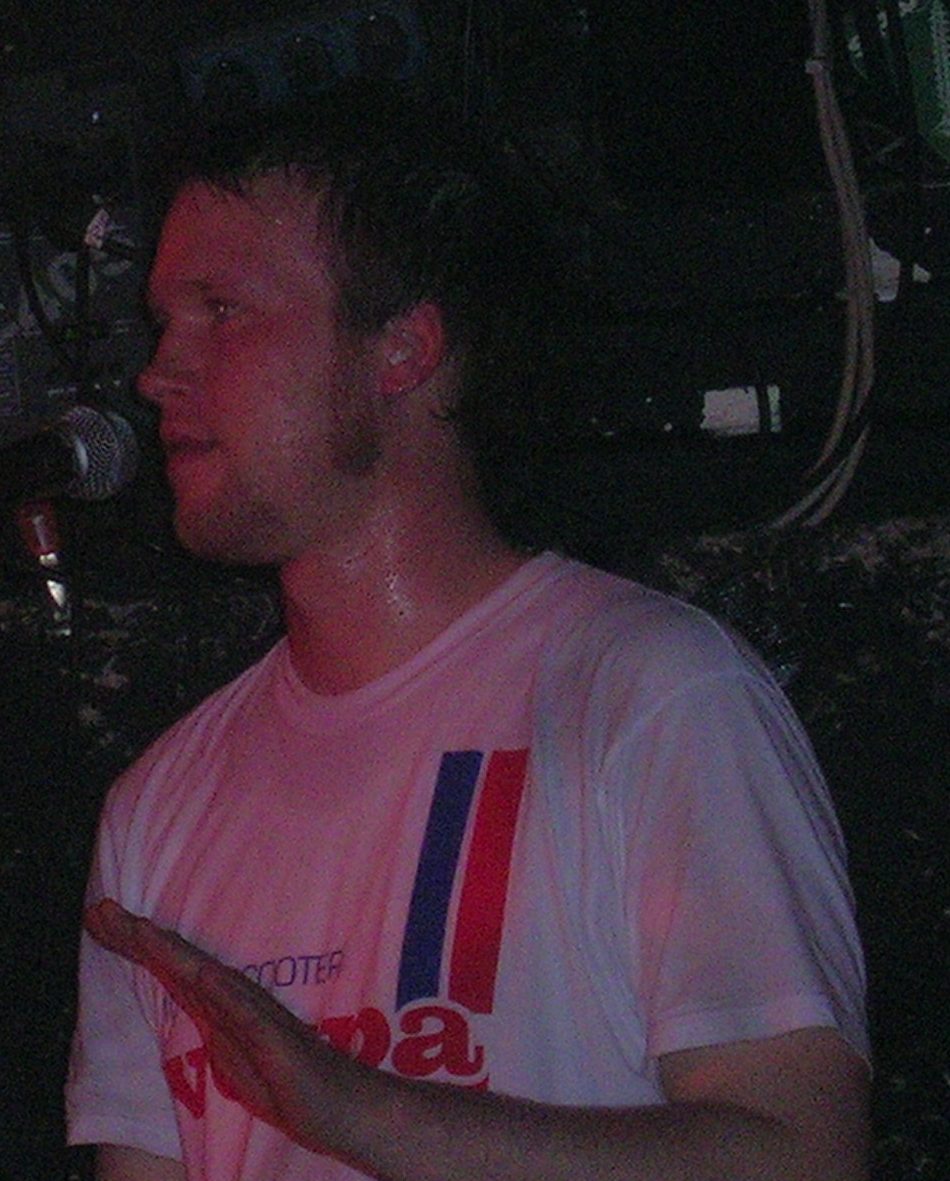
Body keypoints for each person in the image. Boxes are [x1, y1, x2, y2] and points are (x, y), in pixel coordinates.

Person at [65, 95, 870, 1181]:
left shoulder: (652, 695)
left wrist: (368, 1115)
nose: (158, 372)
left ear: (402, 350)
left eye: (221, 310)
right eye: (165, 322)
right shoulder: (154, 806)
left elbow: (801, 1157)